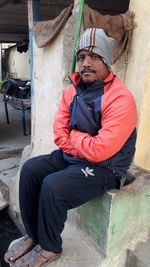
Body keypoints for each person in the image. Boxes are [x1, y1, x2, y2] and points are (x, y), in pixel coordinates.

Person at [4, 28, 137, 267]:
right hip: (75, 157)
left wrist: (74, 138)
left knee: (53, 186)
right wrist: (81, 144)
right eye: (82, 56)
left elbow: (100, 151)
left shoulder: (120, 98)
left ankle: (51, 246)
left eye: (94, 57)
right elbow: (59, 134)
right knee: (31, 170)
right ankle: (34, 235)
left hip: (107, 167)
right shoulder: (71, 91)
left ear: (107, 61)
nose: (86, 63)